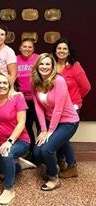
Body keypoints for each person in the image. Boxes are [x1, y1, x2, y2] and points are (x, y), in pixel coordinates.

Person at [32, 53, 79, 191]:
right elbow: (38, 108)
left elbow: (58, 108)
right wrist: (43, 129)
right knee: (37, 152)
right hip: (51, 122)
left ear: (52, 67)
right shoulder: (35, 82)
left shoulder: (59, 81)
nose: (44, 66)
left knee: (46, 150)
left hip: (68, 121)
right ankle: (68, 165)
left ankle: (53, 178)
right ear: (37, 66)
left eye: (48, 64)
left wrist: (50, 131)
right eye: (42, 63)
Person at [0, 72, 36, 205]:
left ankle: (9, 189)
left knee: (6, 154)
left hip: (19, 140)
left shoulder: (17, 98)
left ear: (9, 85)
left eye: (5, 83)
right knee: (1, 173)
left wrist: (9, 141)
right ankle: (19, 164)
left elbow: (21, 123)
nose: (1, 86)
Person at [52, 38, 91, 177]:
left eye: (64, 49)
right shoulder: (52, 65)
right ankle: (61, 161)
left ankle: (72, 165)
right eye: (59, 48)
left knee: (63, 135)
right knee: (60, 135)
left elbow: (86, 87)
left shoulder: (75, 66)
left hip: (71, 107)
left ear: (69, 52)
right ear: (55, 50)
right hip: (56, 107)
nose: (61, 51)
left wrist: (74, 100)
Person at [16, 38, 40, 161]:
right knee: (27, 126)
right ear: (20, 48)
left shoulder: (38, 58)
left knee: (42, 127)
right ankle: (31, 151)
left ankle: (40, 153)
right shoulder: (15, 60)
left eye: (30, 47)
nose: (27, 49)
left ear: (33, 49)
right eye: (24, 46)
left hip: (39, 100)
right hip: (24, 101)